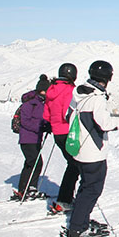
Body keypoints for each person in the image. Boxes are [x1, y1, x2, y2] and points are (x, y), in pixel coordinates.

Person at [62, 60, 119, 237]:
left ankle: (81, 221)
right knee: (92, 190)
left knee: (85, 187)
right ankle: (77, 228)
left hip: (78, 148)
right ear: (108, 77)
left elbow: (68, 116)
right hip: (93, 152)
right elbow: (105, 124)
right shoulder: (96, 98)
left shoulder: (79, 92)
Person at [42, 63, 80, 213]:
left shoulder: (51, 90)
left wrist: (53, 124)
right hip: (69, 133)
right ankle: (65, 200)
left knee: (73, 165)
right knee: (75, 166)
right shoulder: (70, 90)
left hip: (57, 133)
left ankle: (66, 199)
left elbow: (46, 115)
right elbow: (70, 113)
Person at [14, 75, 51, 201]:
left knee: (31, 163)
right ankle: (30, 188)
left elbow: (41, 119)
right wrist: (41, 127)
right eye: (44, 91)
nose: (46, 94)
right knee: (35, 162)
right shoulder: (30, 103)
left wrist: (47, 125)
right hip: (27, 138)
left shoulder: (41, 103)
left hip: (35, 138)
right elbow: (26, 121)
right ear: (39, 90)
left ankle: (24, 189)